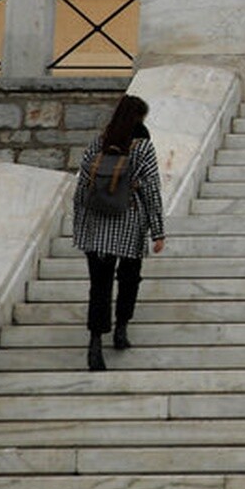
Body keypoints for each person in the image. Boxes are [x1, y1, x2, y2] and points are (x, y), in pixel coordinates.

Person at [71, 94, 166, 372]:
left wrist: (80, 226)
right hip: (129, 223)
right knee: (129, 278)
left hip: (96, 225)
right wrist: (158, 232)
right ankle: (121, 330)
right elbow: (151, 190)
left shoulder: (98, 143)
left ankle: (95, 342)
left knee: (99, 286)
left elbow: (82, 188)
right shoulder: (143, 147)